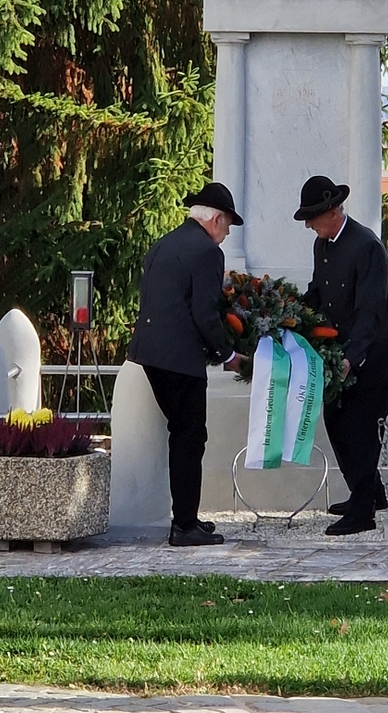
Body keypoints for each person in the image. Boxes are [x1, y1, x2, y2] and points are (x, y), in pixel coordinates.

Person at [128, 183, 247, 547]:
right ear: (216, 219)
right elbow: (205, 313)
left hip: (151, 352)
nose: (227, 234)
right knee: (189, 437)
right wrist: (228, 355)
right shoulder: (207, 252)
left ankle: (187, 517)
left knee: (183, 434)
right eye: (228, 226)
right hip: (180, 358)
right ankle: (184, 526)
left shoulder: (166, 243)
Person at [294, 175, 388, 536]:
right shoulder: (323, 245)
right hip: (339, 352)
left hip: (372, 357)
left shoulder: (366, 246)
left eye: (312, 218)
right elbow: (318, 293)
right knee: (336, 421)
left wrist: (351, 359)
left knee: (358, 429)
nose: (309, 226)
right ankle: (370, 492)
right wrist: (290, 314)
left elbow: (371, 313)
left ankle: (362, 510)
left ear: (332, 212)